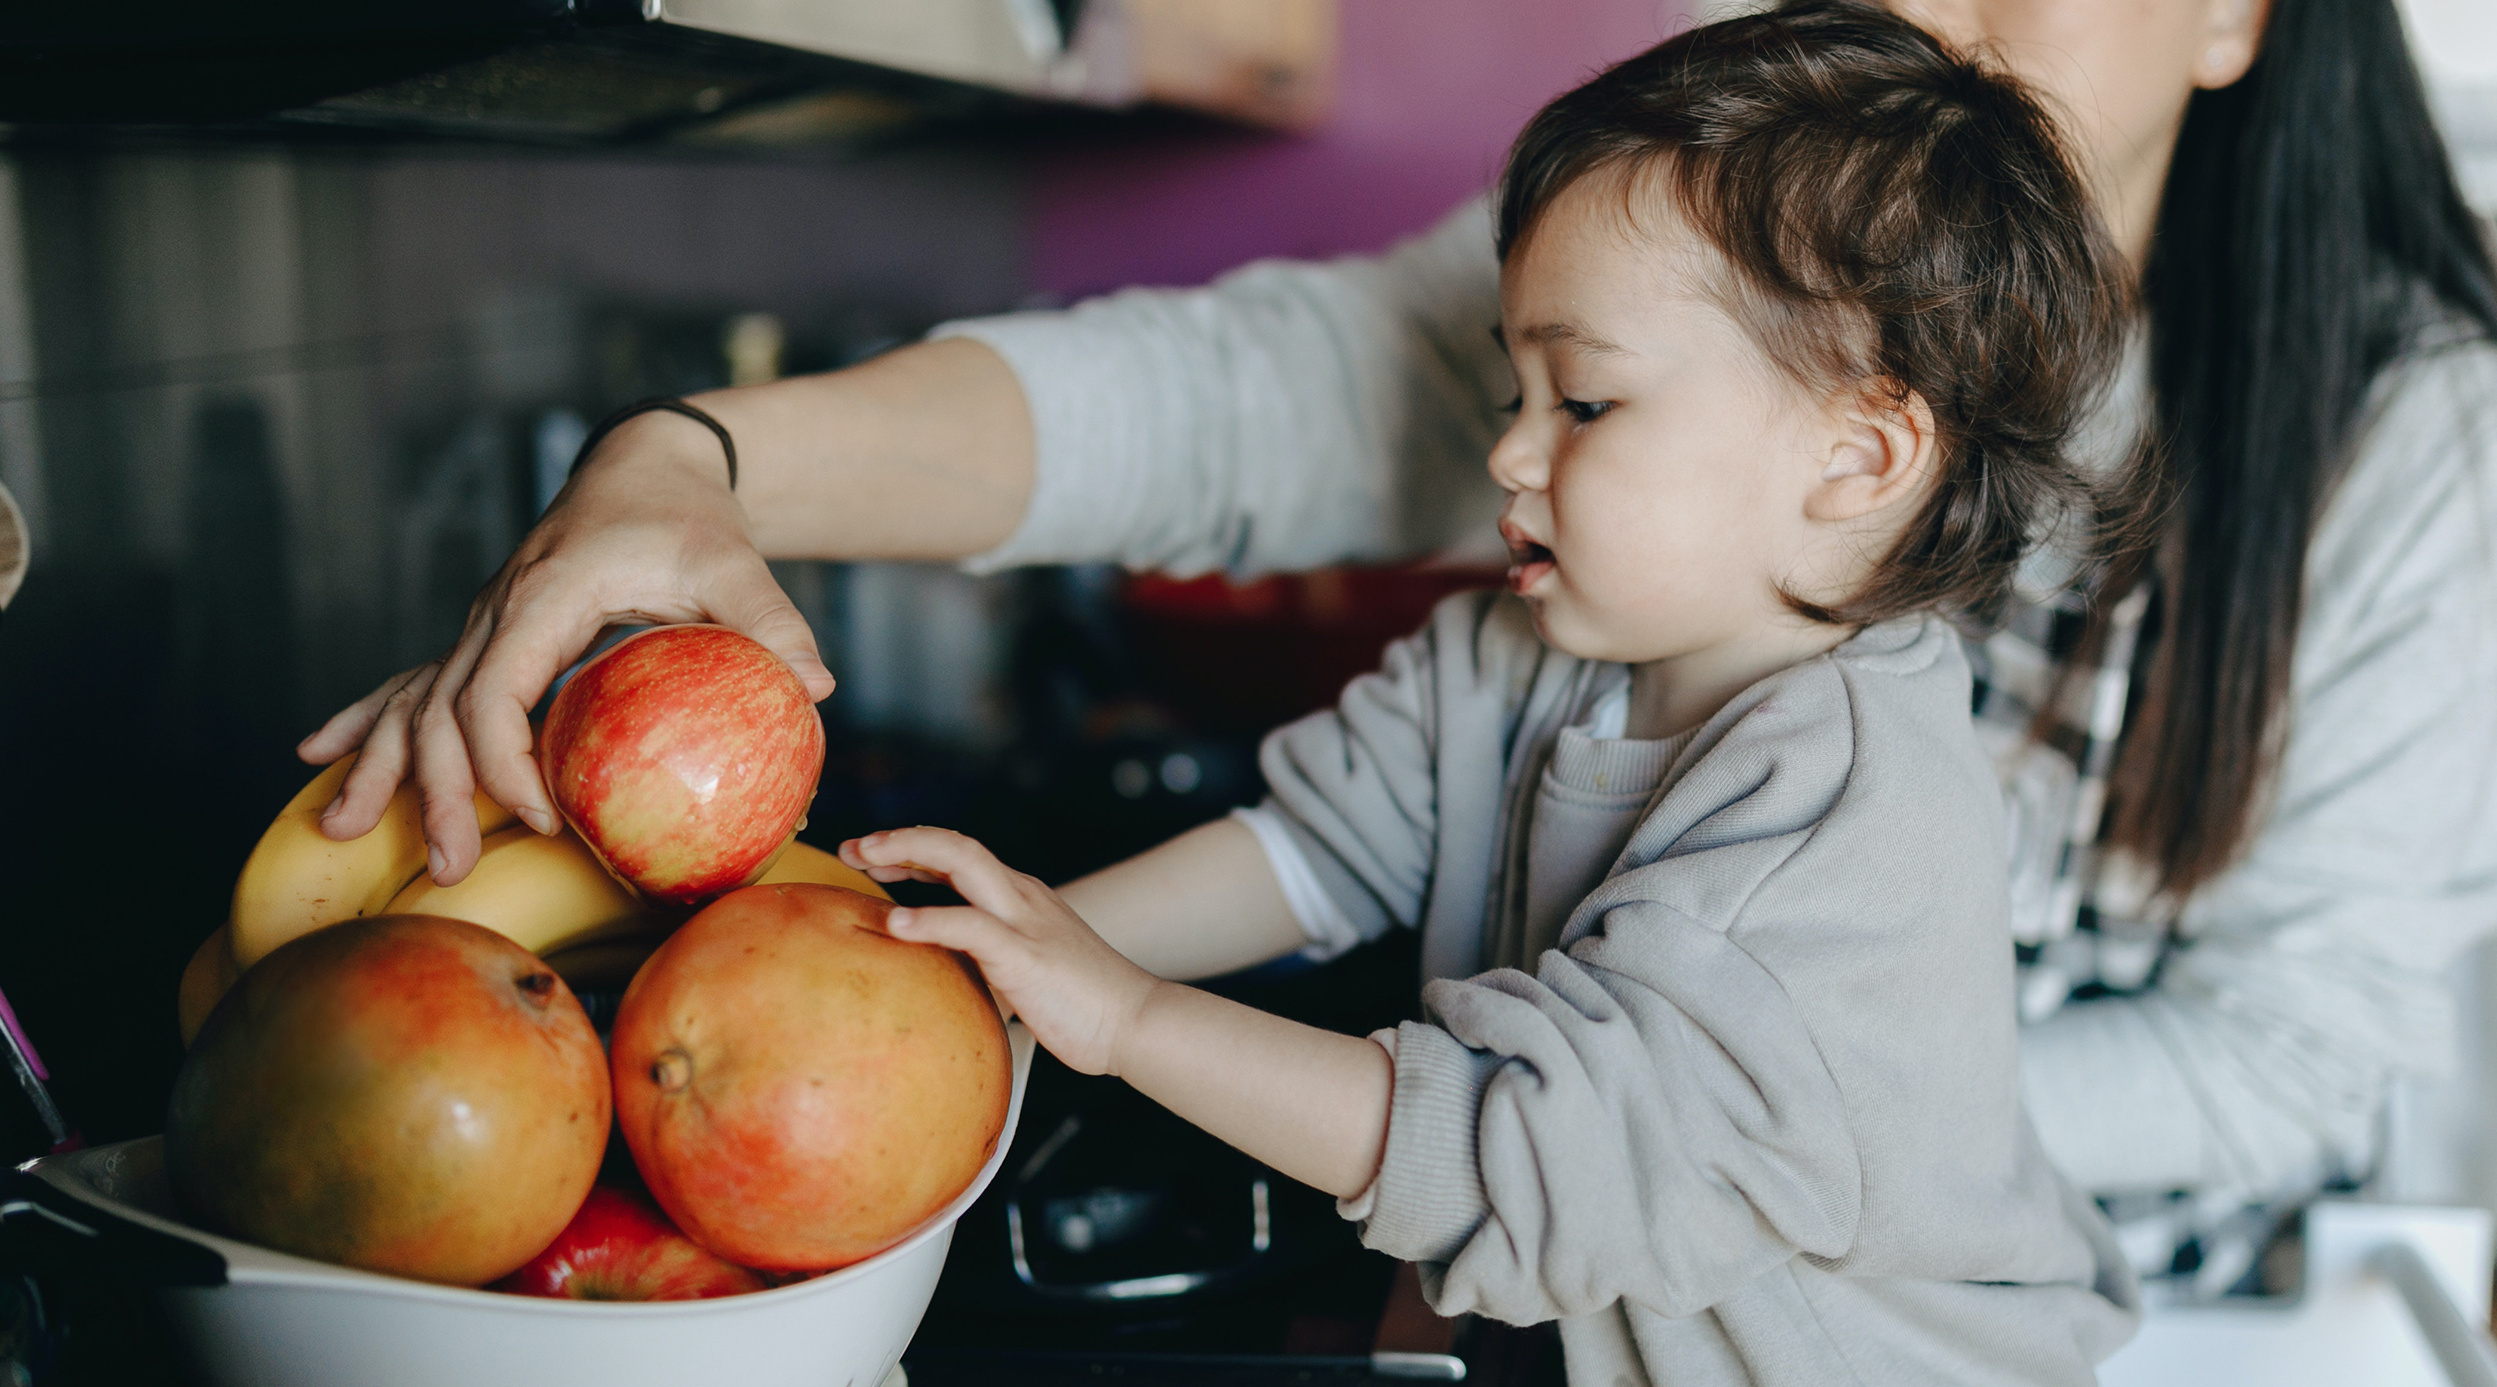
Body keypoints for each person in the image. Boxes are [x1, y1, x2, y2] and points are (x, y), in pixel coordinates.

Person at [307, 0, 2497, 1275]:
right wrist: (695, 460)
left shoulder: (2416, 445)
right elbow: (1252, 414)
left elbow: (2281, 1062)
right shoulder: (1693, 282)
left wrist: (1711, 1094)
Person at [835, 10, 2140, 1381]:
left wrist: (1125, 1020)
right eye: (1518, 388)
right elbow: (1314, 850)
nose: (1510, 454)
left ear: (1855, 458)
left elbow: (1498, 1149)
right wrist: (1010, 967)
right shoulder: (1517, 656)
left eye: (1582, 403)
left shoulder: (1842, 822)